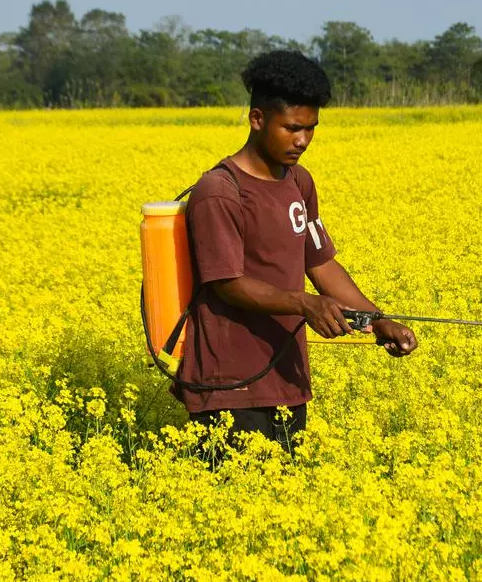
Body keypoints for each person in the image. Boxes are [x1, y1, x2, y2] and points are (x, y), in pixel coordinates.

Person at [169, 49, 418, 457]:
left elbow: (321, 265)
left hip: (287, 378)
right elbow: (226, 283)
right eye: (292, 128)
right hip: (228, 386)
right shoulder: (219, 190)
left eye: (311, 128)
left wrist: (378, 320)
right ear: (257, 119)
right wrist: (304, 304)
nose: (303, 140)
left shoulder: (299, 182)